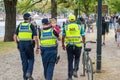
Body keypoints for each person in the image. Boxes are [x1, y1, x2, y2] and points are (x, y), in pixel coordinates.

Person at [13, 13, 39, 80]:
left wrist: (17, 45)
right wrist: (37, 47)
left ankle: (25, 78)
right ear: (29, 18)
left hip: (21, 44)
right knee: (31, 59)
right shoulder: (31, 25)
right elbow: (35, 37)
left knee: (24, 61)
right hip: (29, 44)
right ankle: (29, 72)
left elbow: (15, 36)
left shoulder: (20, 25)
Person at [62, 14, 85, 80]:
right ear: (75, 19)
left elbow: (63, 37)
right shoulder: (79, 27)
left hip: (69, 46)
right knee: (77, 58)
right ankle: (75, 70)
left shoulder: (66, 27)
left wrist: (63, 45)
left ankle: (69, 77)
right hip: (78, 45)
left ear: (69, 19)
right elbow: (83, 35)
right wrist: (84, 41)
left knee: (70, 61)